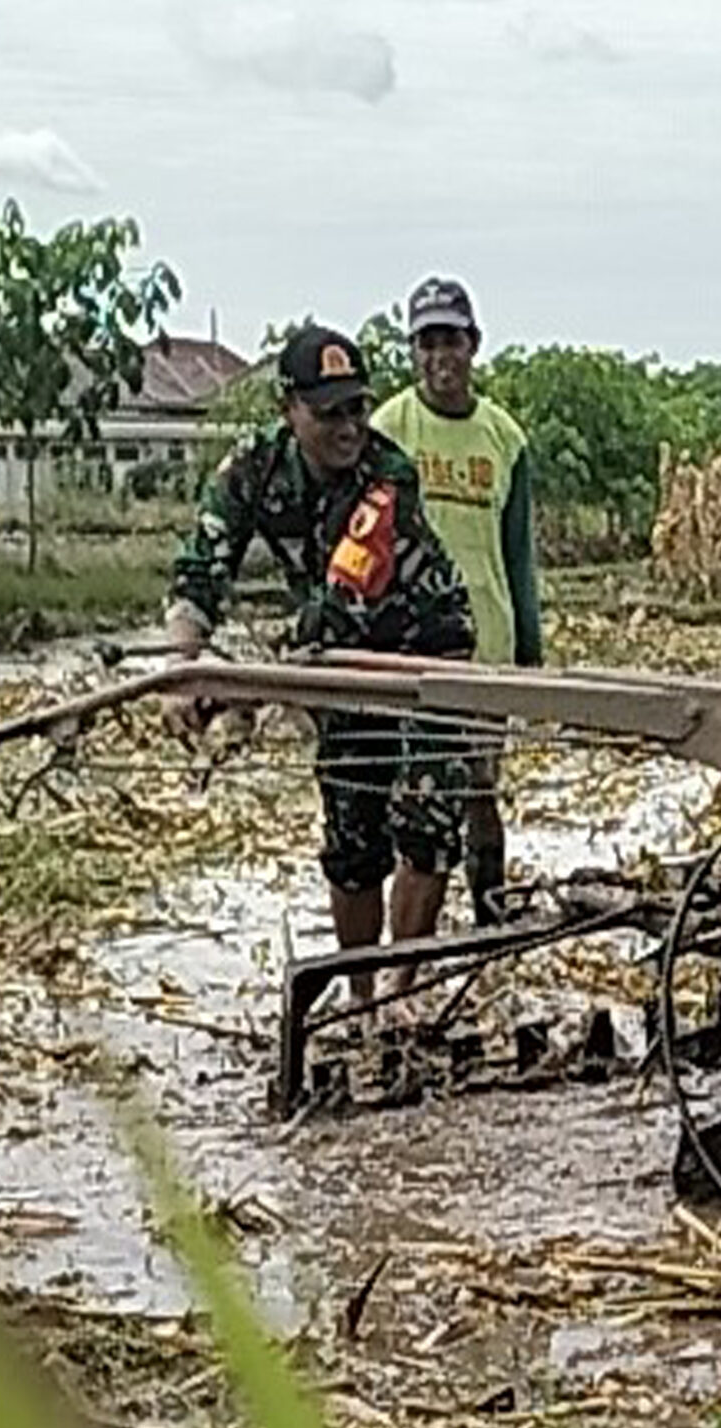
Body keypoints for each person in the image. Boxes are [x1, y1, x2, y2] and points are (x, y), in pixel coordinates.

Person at [160, 322, 474, 995]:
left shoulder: (388, 476)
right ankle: (358, 996)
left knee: (426, 821)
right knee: (353, 837)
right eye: (328, 412)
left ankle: (400, 992)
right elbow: (200, 572)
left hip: (426, 649)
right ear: (288, 409)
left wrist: (243, 688)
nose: (347, 426)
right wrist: (182, 667)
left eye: (357, 408)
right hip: (336, 667)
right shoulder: (251, 472)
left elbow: (342, 601)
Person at [368, 275, 543, 926]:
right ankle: (413, 935)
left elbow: (519, 554)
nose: (442, 356)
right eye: (428, 342)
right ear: (414, 351)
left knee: (477, 787)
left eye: (454, 340)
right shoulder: (388, 429)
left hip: (484, 643)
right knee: (411, 797)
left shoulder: (505, 438)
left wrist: (530, 653)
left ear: (475, 345)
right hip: (406, 648)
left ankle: (489, 916)